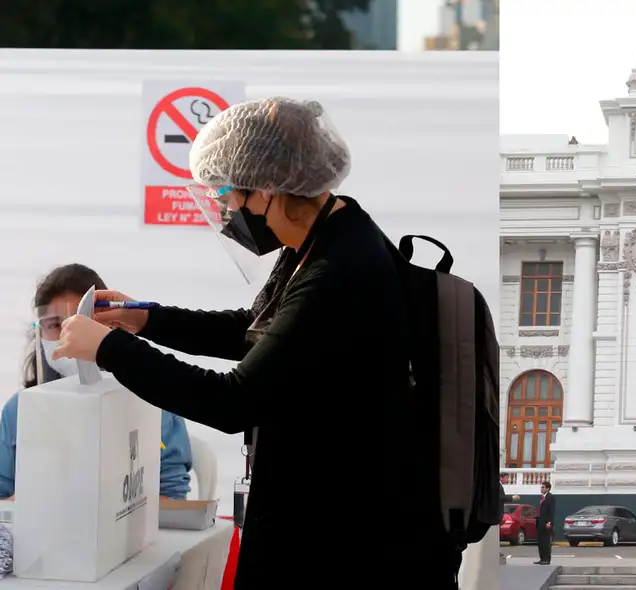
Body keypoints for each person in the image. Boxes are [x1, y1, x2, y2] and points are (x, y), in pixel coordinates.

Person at [50, 98, 440, 588]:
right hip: (327, 512)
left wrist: (109, 349)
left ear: (270, 186)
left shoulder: (340, 269)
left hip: (340, 538)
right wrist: (144, 318)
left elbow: (232, 400)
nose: (226, 210)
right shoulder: (327, 233)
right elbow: (256, 330)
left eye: (229, 195)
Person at [0, 264, 192, 500]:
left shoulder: (151, 402)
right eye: (54, 325)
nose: (67, 334)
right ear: (39, 332)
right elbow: (3, 497)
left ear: (108, 324)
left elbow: (172, 496)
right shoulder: (19, 410)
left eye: (79, 321)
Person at [535, 481, 555, 565]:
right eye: (541, 487)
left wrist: (549, 522)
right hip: (540, 522)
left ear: (547, 488)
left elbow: (552, 511)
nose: (541, 489)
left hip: (546, 522)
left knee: (546, 541)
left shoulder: (550, 497)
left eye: (543, 487)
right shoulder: (541, 497)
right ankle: (542, 558)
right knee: (540, 541)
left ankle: (547, 559)